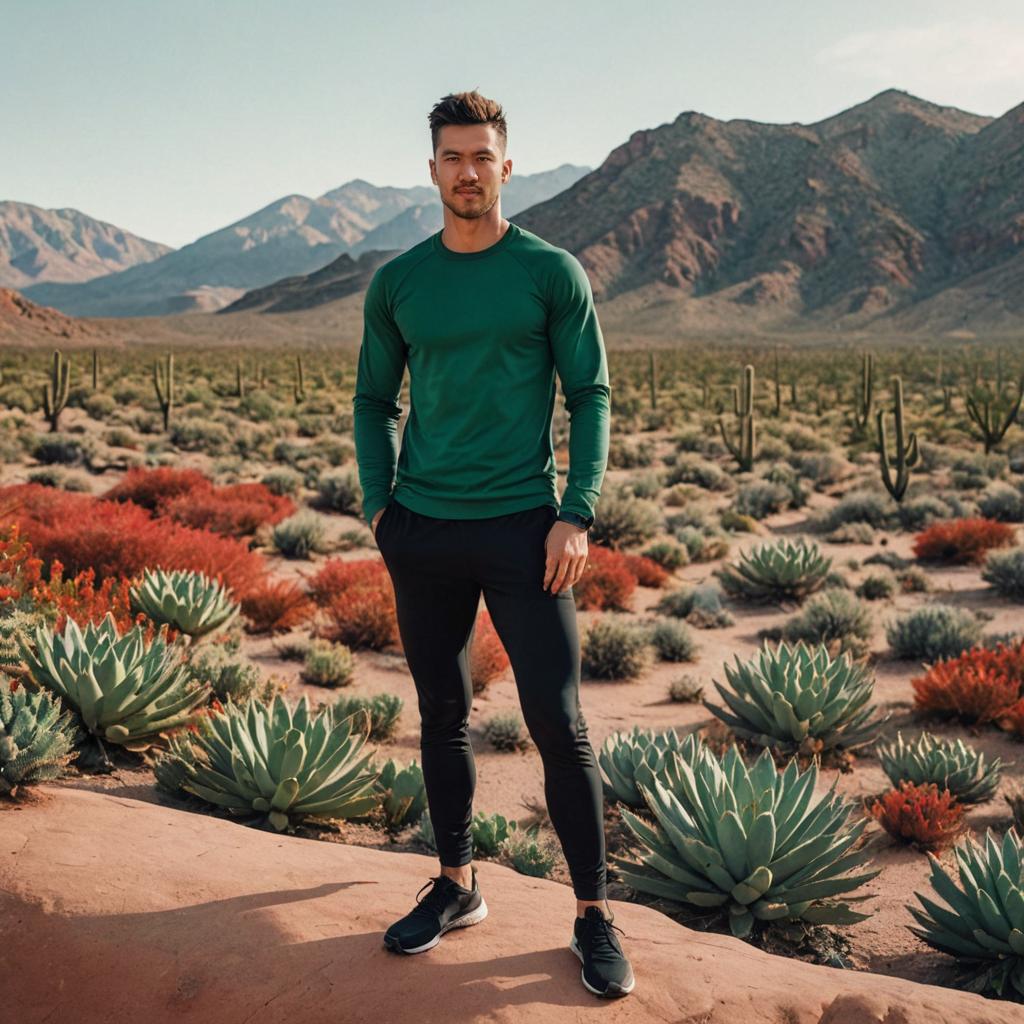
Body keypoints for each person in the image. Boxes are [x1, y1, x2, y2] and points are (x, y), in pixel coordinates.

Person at [352, 88, 634, 999]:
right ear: (430, 168)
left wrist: (578, 510)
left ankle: (593, 916)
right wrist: (379, 507)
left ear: (507, 167)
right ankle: (457, 883)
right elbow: (372, 400)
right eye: (452, 157)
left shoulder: (551, 272)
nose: (468, 172)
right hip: (424, 530)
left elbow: (590, 395)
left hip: (526, 529)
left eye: (483, 157)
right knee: (441, 713)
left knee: (561, 724)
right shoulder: (399, 282)